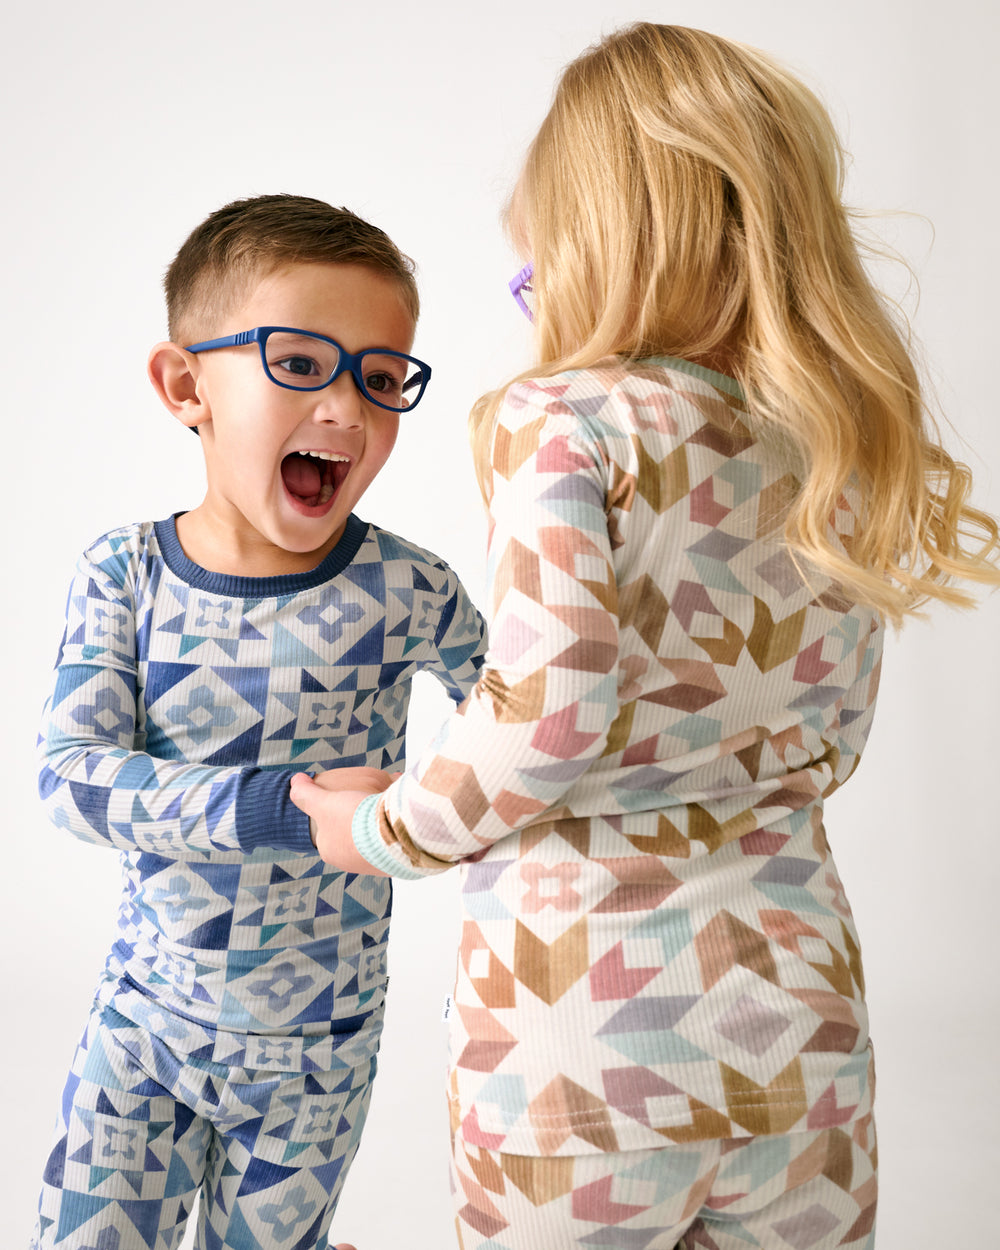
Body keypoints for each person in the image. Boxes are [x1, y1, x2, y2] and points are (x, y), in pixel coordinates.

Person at [289, 24, 1000, 1250]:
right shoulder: (834, 440)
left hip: (583, 1055)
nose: (534, 304)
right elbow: (827, 741)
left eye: (534, 275)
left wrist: (382, 827)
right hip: (803, 1041)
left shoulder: (560, 418)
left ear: (603, 249)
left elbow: (544, 718)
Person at [31, 194, 486, 1250]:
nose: (347, 411)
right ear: (185, 386)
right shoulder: (124, 572)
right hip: (142, 1030)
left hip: (319, 1056)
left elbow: (523, 725)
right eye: (300, 363)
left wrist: (437, 817)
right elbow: (71, 777)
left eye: (381, 379)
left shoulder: (410, 587)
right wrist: (288, 809)